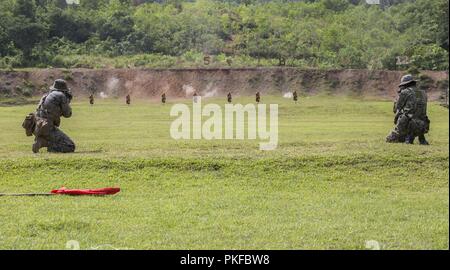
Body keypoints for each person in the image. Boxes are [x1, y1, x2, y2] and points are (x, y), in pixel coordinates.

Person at [32, 79, 75, 153]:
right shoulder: (61, 96)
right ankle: (43, 143)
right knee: (70, 146)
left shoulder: (46, 95)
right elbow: (68, 114)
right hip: (47, 128)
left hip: (36, 126)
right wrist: (67, 102)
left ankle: (42, 140)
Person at [386, 74, 423, 144]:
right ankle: (419, 138)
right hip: (423, 126)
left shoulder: (405, 92)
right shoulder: (422, 93)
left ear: (405, 84)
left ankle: (407, 137)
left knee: (389, 139)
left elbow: (396, 109)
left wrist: (398, 98)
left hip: (409, 124)